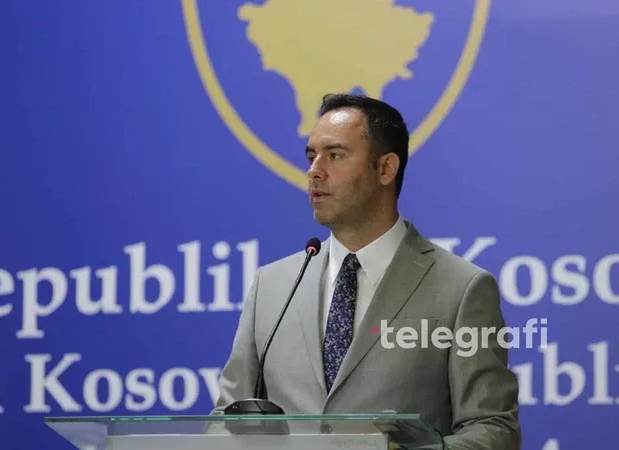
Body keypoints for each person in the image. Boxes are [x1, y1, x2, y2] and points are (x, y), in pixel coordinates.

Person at [211, 93, 521, 449]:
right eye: (311, 157)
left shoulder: (462, 289)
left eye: (335, 155)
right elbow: (226, 420)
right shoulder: (272, 286)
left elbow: (494, 430)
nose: (314, 171)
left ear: (386, 168)